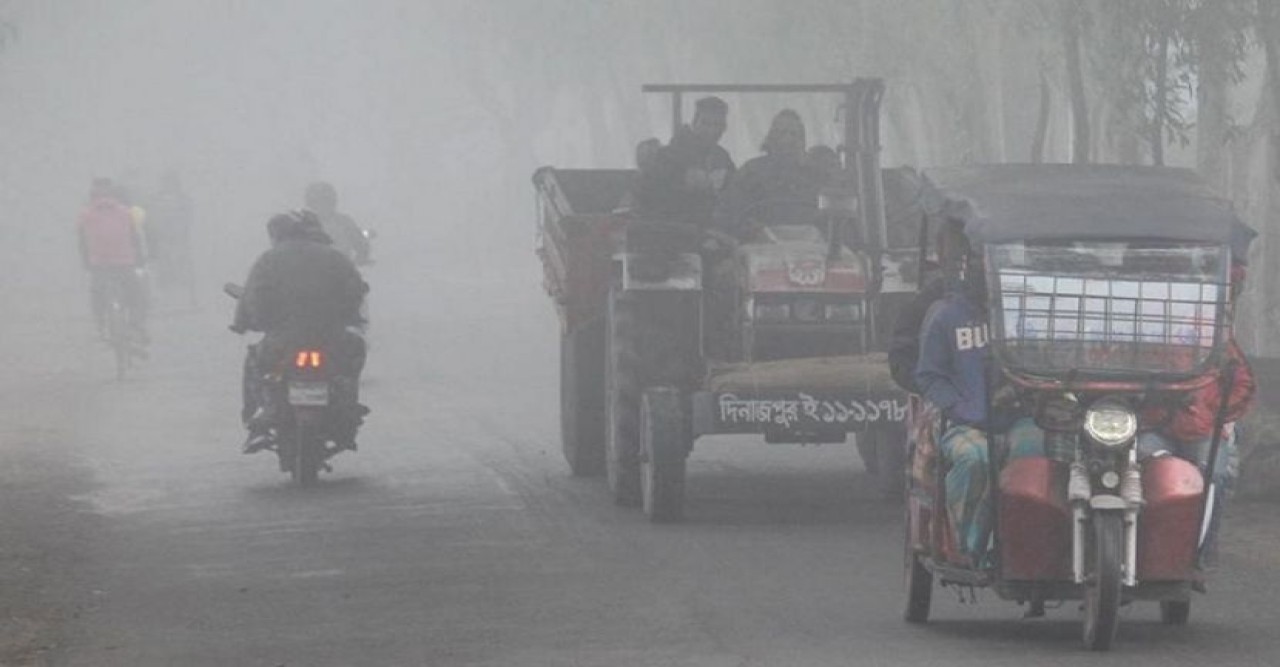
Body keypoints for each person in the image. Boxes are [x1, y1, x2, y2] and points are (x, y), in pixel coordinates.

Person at [913, 220, 1043, 567]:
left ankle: (1035, 545)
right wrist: (960, 406)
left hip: (1021, 417)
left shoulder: (1026, 313)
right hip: (965, 423)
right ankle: (971, 546)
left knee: (1039, 455)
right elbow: (929, 376)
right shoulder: (945, 317)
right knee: (976, 461)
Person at [1137, 262, 1256, 566]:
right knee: (1137, 472)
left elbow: (1242, 384)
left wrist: (1215, 412)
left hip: (1201, 428)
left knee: (1212, 476)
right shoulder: (1144, 331)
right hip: (1152, 425)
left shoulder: (1214, 335)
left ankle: (1201, 552)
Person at [231, 210, 369, 453]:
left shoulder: (268, 260)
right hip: (332, 338)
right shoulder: (335, 257)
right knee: (355, 351)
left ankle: (259, 415)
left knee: (255, 363)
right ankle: (347, 403)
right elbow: (355, 290)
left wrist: (243, 323)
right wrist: (349, 317)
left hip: (282, 342)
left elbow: (253, 296)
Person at [714, 109, 824, 240]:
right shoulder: (751, 171)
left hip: (811, 247)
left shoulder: (815, 174)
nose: (787, 139)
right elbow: (732, 211)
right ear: (770, 137)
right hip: (760, 245)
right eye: (781, 132)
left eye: (794, 134)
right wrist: (752, 229)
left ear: (802, 140)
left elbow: (828, 213)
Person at [635, 96, 735, 225]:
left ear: (724, 128)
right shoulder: (667, 156)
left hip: (712, 228)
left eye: (718, 125)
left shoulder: (722, 157)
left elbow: (734, 192)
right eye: (706, 123)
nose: (712, 130)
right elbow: (653, 198)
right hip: (675, 229)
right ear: (694, 123)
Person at [78, 178, 149, 344]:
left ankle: (101, 327)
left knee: (97, 295)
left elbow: (82, 242)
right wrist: (140, 259)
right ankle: (136, 325)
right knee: (136, 295)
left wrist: (86, 262)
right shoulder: (125, 212)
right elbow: (134, 238)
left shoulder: (85, 214)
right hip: (125, 262)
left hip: (99, 264)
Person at [147, 169, 196, 299]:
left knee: (181, 264)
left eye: (171, 181)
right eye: (166, 181)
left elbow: (188, 217)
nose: (168, 184)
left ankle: (188, 295)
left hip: (178, 238)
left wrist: (183, 231)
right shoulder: (155, 199)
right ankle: (163, 291)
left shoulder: (183, 199)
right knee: (162, 264)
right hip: (161, 238)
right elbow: (150, 217)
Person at [304, 181, 370, 265]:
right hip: (308, 272)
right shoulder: (301, 224)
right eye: (316, 202)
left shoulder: (344, 223)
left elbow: (361, 245)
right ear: (310, 204)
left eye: (325, 202)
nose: (321, 206)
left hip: (340, 271)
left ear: (332, 203)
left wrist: (359, 260)